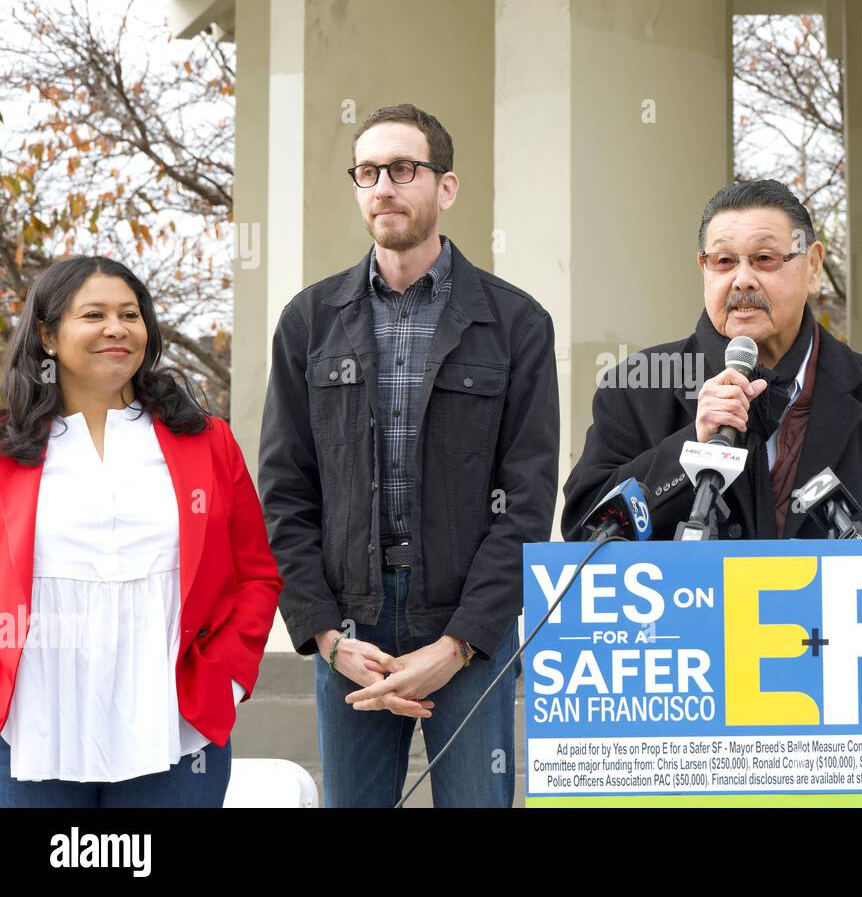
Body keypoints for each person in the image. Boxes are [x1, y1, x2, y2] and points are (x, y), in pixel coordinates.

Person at [259, 103, 559, 808]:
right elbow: (284, 492)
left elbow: (526, 500)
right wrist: (328, 638)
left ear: (445, 187)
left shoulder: (515, 323)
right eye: (368, 172)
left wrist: (458, 644)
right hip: (350, 626)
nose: (383, 187)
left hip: (466, 631)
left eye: (403, 169)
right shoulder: (309, 321)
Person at [562, 179, 862, 618]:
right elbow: (586, 533)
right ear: (703, 269)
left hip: (827, 665)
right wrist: (689, 450)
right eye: (723, 261)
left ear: (812, 266)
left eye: (764, 259)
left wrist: (851, 577)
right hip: (683, 669)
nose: (742, 279)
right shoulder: (635, 387)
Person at [0, 256, 282, 806]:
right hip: (30, 726)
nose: (116, 328)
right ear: (47, 336)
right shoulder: (8, 451)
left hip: (174, 726)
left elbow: (257, 574)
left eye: (130, 314)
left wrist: (225, 679)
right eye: (94, 314)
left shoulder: (207, 442)